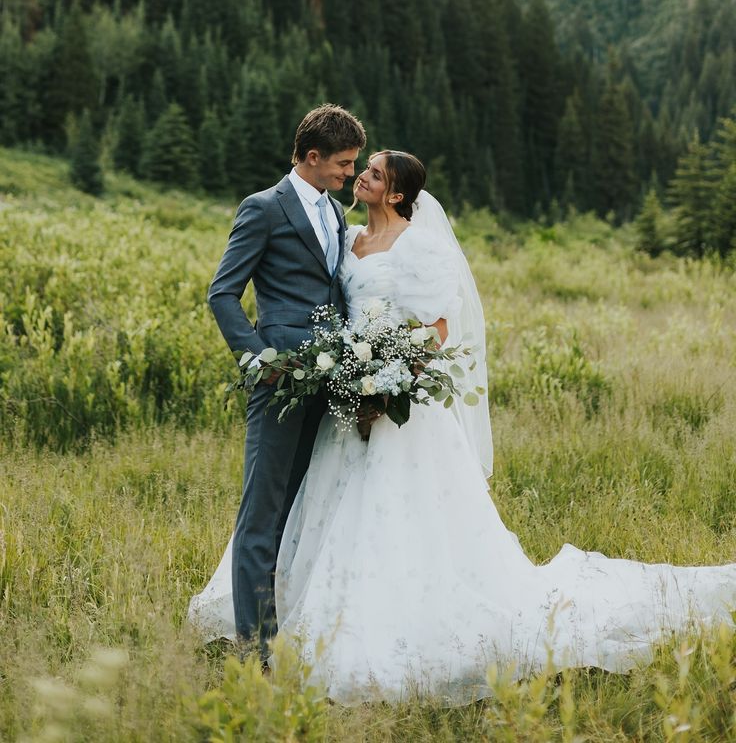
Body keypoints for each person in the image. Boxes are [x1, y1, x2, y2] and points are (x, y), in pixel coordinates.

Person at [191, 149, 736, 704]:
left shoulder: (421, 246)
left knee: (400, 521)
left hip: (395, 409)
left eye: (374, 172)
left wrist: (388, 379)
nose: (361, 176)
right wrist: (349, 375)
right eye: (361, 167)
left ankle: (401, 626)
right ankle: (281, 626)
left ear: (399, 193)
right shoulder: (346, 234)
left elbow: (438, 330)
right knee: (327, 512)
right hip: (342, 400)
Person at [195, 104, 366, 665]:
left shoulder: (336, 213)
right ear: (312, 157)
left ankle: (288, 633)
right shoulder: (264, 209)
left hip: (330, 381)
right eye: (343, 164)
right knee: (262, 515)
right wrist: (256, 359)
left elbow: (333, 292)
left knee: (301, 509)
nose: (349, 174)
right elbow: (223, 293)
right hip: (281, 380)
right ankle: (254, 652)